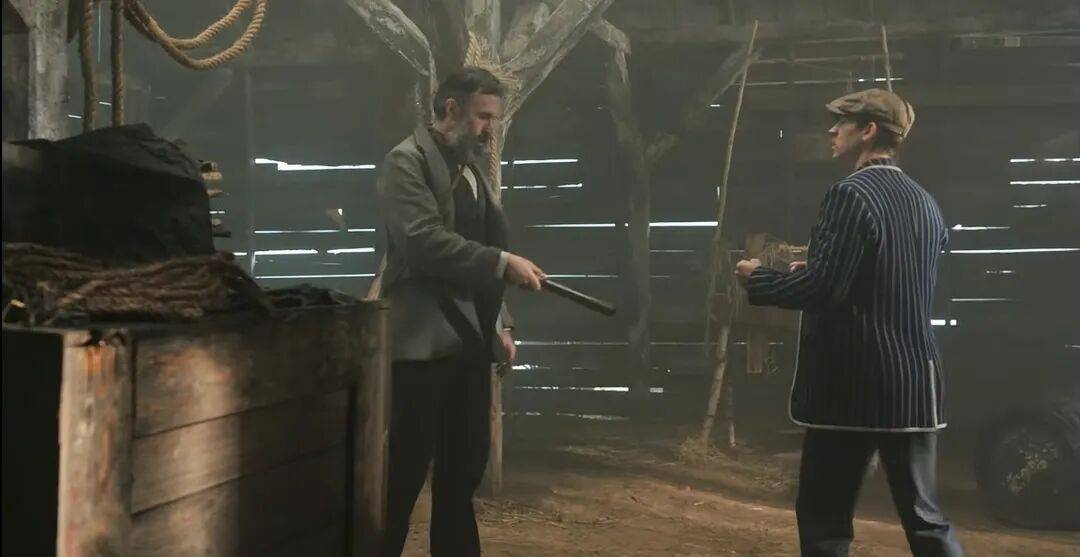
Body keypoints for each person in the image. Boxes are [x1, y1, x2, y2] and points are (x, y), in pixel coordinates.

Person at [735, 89, 963, 557]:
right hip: (914, 384)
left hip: (853, 385)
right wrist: (822, 269)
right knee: (926, 520)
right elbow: (892, 276)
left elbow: (824, 292)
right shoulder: (925, 202)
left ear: (869, 131)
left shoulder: (849, 195)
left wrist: (759, 279)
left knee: (826, 520)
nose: (832, 130)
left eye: (842, 122)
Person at [371, 67, 545, 557]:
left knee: (462, 471)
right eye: (482, 117)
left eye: (493, 119)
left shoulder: (471, 171)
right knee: (404, 472)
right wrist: (502, 263)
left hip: (469, 341)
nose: (488, 130)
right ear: (451, 109)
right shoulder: (405, 163)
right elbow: (422, 241)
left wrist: (499, 324)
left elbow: (484, 247)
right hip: (420, 344)